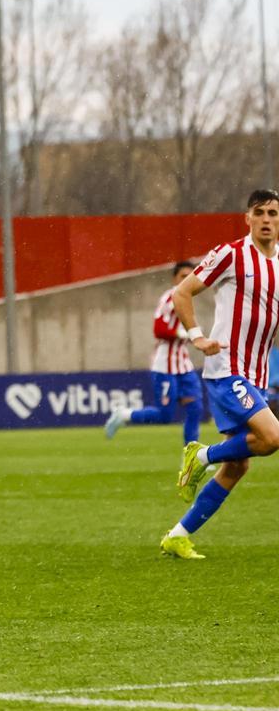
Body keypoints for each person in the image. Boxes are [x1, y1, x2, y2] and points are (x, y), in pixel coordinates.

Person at [160, 189, 279, 559]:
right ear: (247, 218)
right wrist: (197, 336)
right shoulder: (231, 254)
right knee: (273, 437)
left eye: (273, 213)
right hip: (228, 368)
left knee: (238, 465)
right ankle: (200, 456)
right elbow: (182, 293)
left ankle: (177, 535)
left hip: (256, 374)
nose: (266, 219)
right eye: (259, 212)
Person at [103, 261, 203, 449]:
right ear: (174, 279)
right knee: (165, 415)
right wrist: (183, 333)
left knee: (195, 408)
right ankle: (124, 415)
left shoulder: (188, 298)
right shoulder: (170, 298)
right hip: (165, 366)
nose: (187, 280)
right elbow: (158, 329)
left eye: (191, 276)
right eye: (183, 276)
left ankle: (191, 456)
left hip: (184, 365)